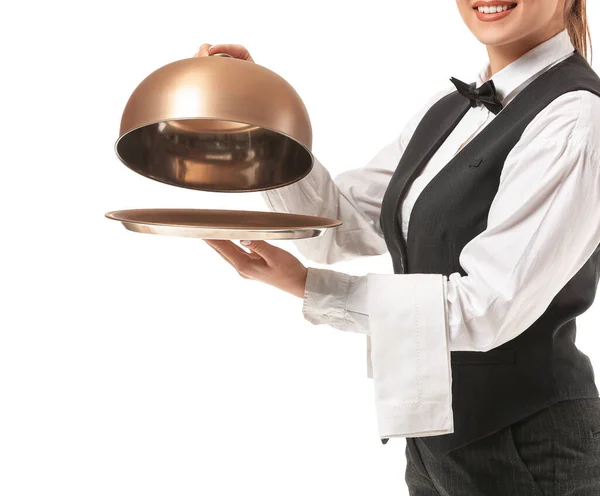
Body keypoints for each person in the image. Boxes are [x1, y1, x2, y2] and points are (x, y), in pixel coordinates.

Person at [197, 0, 600, 493]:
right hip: (435, 439)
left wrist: (308, 287)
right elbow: (338, 225)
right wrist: (257, 113)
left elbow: (487, 307)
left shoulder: (578, 117)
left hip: (530, 443)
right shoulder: (450, 109)